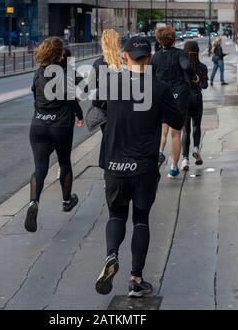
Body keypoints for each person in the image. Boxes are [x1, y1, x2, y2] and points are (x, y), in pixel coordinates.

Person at [95, 36, 183, 298]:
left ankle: (111, 255)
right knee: (141, 219)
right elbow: (177, 121)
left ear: (125, 57)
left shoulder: (110, 84)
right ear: (149, 58)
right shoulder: (160, 88)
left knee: (116, 216)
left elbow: (95, 112)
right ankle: (136, 280)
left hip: (114, 163)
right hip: (143, 165)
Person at [24, 37, 83, 233]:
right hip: (60, 125)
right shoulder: (65, 74)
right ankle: (67, 201)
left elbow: (34, 97)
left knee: (40, 167)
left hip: (38, 124)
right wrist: (79, 114)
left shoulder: (38, 73)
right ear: (59, 54)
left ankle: (33, 202)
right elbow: (77, 95)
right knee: (64, 162)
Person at [151, 26, 199, 179]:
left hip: (161, 97)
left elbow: (150, 76)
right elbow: (186, 66)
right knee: (176, 133)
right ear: (174, 39)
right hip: (178, 96)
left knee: (162, 129)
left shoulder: (156, 57)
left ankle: (159, 151)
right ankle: (173, 167)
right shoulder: (180, 53)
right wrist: (194, 77)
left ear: (159, 40)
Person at [88, 29, 124, 132]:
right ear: (117, 43)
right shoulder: (125, 62)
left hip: (106, 109)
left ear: (103, 44)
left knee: (108, 140)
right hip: (125, 108)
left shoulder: (98, 63)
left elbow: (91, 86)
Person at [181, 41, 209, 172]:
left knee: (186, 130)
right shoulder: (202, 67)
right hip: (197, 99)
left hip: (184, 100)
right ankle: (196, 149)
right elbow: (204, 86)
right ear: (197, 51)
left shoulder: (182, 68)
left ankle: (185, 159)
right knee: (196, 125)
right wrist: (198, 81)